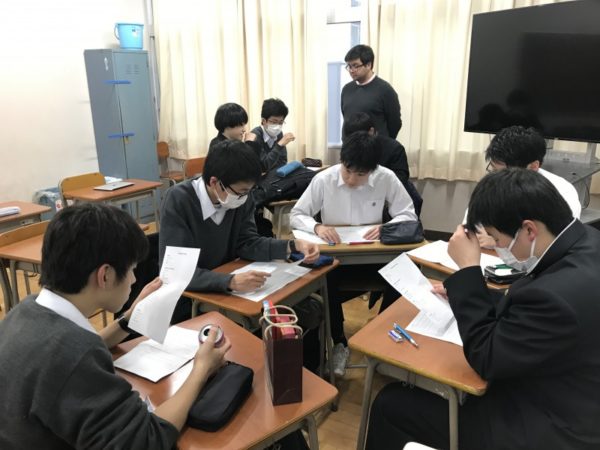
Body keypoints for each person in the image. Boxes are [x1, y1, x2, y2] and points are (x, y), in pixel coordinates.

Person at [366, 168, 600, 450]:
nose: (499, 247)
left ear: (529, 230)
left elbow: (486, 358)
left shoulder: (555, 297)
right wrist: (467, 293)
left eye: (496, 239)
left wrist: (468, 269)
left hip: (550, 425)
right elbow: (530, 315)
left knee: (391, 404)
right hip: (574, 392)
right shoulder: (587, 240)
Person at [0, 203, 230, 449]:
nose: (133, 279)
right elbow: (146, 440)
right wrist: (201, 369)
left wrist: (129, 318)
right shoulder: (75, 357)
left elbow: (73, 353)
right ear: (106, 275)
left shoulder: (25, 311)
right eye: (132, 270)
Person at [290, 131, 416, 376]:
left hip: (373, 257)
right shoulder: (324, 179)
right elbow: (297, 214)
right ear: (342, 161)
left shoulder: (386, 177)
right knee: (323, 279)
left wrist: (386, 227)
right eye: (347, 171)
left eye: (360, 175)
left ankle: (382, 341)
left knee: (405, 274)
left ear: (372, 170)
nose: (350, 179)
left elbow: (407, 214)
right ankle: (339, 343)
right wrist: (317, 227)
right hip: (337, 258)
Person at [159, 139, 320, 319]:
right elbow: (176, 273)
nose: (245, 197)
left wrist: (292, 246)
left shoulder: (240, 197)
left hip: (229, 288)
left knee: (299, 308)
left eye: (249, 191)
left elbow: (247, 242)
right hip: (192, 299)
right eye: (241, 191)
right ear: (214, 182)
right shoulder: (179, 200)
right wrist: (230, 281)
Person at [471, 125, 581, 248]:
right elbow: (472, 227)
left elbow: (560, 242)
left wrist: (497, 242)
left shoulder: (562, 191)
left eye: (504, 173)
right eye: (493, 170)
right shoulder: (491, 183)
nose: (497, 179)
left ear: (533, 167)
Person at [342, 111, 423, 217]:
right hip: (360, 188)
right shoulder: (349, 147)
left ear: (371, 131)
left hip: (386, 191)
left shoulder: (394, 148)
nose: (355, 143)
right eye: (351, 138)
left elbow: (401, 178)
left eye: (359, 137)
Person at [341, 44, 401, 139]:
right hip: (350, 146)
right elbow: (346, 118)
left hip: (376, 146)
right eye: (349, 66)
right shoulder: (347, 89)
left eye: (355, 66)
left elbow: (395, 124)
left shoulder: (385, 90)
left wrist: (382, 142)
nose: (351, 70)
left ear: (368, 65)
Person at [250, 98, 295, 172]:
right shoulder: (255, 136)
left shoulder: (279, 133)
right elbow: (264, 166)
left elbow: (283, 161)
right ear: (264, 121)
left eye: (281, 122)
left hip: (275, 174)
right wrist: (279, 145)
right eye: (274, 122)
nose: (278, 126)